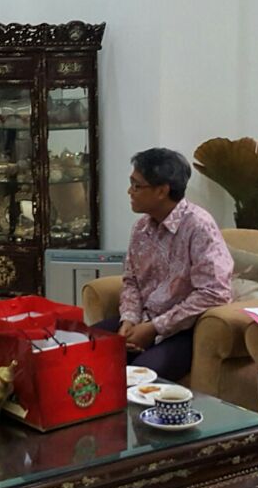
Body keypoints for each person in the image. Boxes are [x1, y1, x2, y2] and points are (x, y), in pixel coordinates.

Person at [92, 148, 233, 382]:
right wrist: (128, 320)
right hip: (143, 320)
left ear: (161, 191)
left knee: (139, 376)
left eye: (136, 186)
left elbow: (214, 293)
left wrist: (155, 327)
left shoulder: (199, 226)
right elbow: (131, 281)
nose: (129, 191)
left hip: (185, 330)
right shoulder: (141, 228)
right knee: (81, 349)